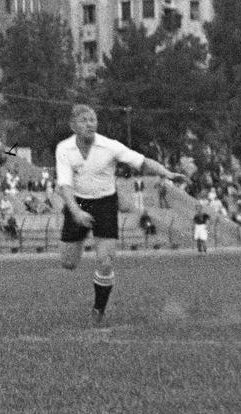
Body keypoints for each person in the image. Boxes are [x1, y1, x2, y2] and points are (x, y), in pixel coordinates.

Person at [56, 104, 186, 325]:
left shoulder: (110, 146)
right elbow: (65, 185)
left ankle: (98, 310)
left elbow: (142, 162)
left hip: (105, 203)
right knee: (68, 263)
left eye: (93, 120)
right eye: (84, 120)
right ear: (72, 125)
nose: (90, 124)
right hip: (77, 202)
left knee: (106, 261)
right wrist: (76, 211)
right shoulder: (64, 148)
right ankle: (79, 241)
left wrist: (167, 173)